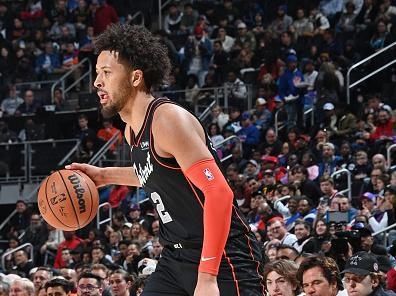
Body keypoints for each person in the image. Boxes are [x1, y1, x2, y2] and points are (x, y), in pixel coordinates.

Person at [66, 23, 263, 296]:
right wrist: (104, 175)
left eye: (107, 73)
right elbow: (159, 171)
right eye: (98, 73)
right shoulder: (132, 129)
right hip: (175, 258)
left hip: (222, 256)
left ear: (135, 78)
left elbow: (219, 193)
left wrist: (206, 278)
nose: (96, 82)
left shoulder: (167, 120)